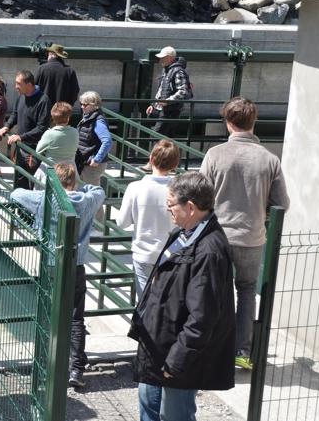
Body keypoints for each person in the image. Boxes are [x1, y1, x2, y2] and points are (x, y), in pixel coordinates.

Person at [129, 172, 235, 421]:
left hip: (178, 354)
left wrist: (177, 361)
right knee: (148, 401)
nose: (168, 210)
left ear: (190, 207)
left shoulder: (209, 251)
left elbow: (202, 317)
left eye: (171, 205)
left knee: (174, 414)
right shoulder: (183, 234)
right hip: (159, 344)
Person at [200, 97, 290, 370]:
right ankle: (242, 350)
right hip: (252, 236)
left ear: (228, 122)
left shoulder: (215, 155)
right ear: (254, 122)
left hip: (218, 236)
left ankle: (213, 348)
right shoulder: (269, 159)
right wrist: (261, 213)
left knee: (214, 291)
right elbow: (282, 203)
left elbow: (201, 195)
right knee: (247, 291)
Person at [10, 163, 105, 389]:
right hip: (76, 264)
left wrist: (48, 189)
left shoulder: (44, 199)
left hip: (51, 265)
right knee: (75, 317)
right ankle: (76, 368)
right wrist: (80, 188)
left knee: (47, 314)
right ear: (74, 180)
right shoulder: (87, 200)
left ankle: (45, 364)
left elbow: (15, 194)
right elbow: (99, 190)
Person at [116, 140, 180, 298]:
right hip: (172, 253)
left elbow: (122, 223)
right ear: (175, 164)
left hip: (143, 253)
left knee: (145, 302)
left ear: (151, 159)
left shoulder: (135, 187)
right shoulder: (180, 188)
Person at [0, 70, 51, 190]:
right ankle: (18, 202)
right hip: (21, 147)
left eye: (19, 84)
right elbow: (15, 114)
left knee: (32, 183)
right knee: (19, 180)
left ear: (29, 84)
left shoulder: (43, 100)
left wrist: (21, 137)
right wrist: (7, 126)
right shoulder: (21, 96)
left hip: (34, 150)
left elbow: (42, 127)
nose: (16, 87)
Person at [143, 46, 192, 170]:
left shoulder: (177, 71)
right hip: (167, 109)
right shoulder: (168, 70)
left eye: (163, 58)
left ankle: (152, 164)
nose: (160, 60)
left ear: (170, 58)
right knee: (169, 139)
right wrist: (154, 105)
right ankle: (173, 165)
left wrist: (167, 101)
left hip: (170, 110)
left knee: (157, 135)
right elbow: (162, 91)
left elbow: (183, 91)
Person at [33, 101, 79, 186]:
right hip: (70, 171)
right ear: (68, 118)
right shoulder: (75, 132)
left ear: (53, 118)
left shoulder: (49, 133)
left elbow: (38, 151)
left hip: (51, 170)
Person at [75, 91, 112, 186]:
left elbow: (107, 141)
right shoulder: (89, 116)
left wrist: (97, 159)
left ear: (94, 105)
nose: (82, 107)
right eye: (81, 104)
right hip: (85, 162)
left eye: (85, 105)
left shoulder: (98, 121)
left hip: (92, 166)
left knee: (90, 192)